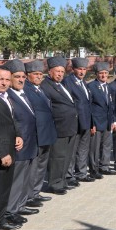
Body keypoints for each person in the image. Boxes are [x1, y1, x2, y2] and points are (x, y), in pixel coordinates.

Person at [0, 65, 23, 230]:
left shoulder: (5, 97)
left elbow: (11, 120)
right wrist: (2, 153)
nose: (4, 83)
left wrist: (18, 135)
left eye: (6, 79)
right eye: (0, 79)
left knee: (3, 192)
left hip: (9, 150)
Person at [5, 60, 38, 227]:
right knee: (16, 180)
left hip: (30, 142)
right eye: (17, 76)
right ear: (9, 78)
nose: (21, 80)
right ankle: (10, 211)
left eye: (23, 77)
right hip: (18, 145)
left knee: (25, 178)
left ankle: (20, 205)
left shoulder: (24, 94)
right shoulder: (8, 96)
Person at [40, 57, 79, 193]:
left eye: (62, 72)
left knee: (67, 156)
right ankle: (55, 183)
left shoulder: (61, 85)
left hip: (70, 127)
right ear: (50, 72)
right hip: (58, 127)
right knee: (58, 157)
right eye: (57, 71)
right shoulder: (46, 86)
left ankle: (62, 180)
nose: (60, 74)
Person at [22, 60, 57, 201]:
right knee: (34, 167)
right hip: (36, 134)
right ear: (28, 75)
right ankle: (30, 195)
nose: (39, 77)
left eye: (40, 74)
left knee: (42, 165)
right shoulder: (26, 90)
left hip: (46, 133)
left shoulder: (40, 89)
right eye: (35, 74)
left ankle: (36, 192)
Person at [62, 58, 94, 183]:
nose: (82, 72)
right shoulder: (68, 82)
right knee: (72, 149)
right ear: (73, 69)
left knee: (83, 148)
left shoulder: (84, 83)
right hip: (75, 122)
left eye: (84, 69)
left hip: (86, 121)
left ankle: (81, 173)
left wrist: (91, 123)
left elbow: (88, 104)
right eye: (79, 69)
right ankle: (69, 175)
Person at [86, 62, 116, 177]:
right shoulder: (91, 87)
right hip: (97, 122)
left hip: (107, 122)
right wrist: (91, 123)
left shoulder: (108, 87)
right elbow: (89, 107)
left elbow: (111, 106)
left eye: (105, 73)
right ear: (96, 74)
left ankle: (104, 166)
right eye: (101, 73)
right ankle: (94, 170)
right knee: (94, 148)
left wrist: (114, 120)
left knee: (106, 145)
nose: (103, 75)